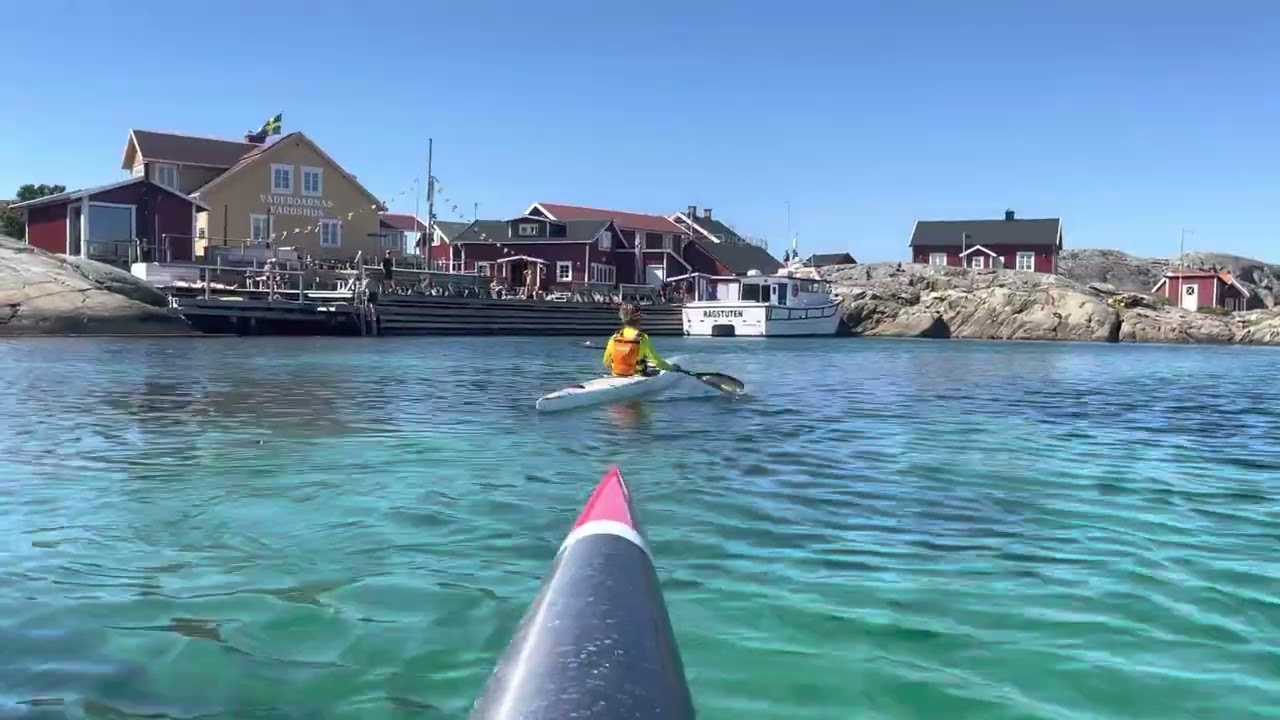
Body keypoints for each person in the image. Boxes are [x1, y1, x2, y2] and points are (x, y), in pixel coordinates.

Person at [602, 303, 678, 377]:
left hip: (616, 374)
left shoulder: (614, 337)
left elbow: (606, 362)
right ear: (639, 319)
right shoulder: (642, 338)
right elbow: (656, 362)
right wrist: (672, 368)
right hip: (637, 374)